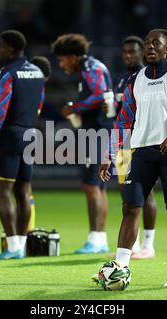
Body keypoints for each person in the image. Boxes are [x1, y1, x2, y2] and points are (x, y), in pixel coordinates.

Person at [99, 29, 167, 287]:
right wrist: (110, 155)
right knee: (130, 208)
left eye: (156, 43)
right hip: (142, 152)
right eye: (147, 44)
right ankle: (121, 267)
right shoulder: (135, 79)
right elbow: (123, 120)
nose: (150, 47)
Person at [0, 30, 46, 260]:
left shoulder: (7, 73)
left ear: (11, 48)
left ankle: (13, 246)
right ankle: (23, 244)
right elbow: (39, 105)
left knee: (3, 192)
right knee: (24, 192)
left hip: (8, 136)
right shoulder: (37, 72)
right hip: (29, 135)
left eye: (2, 46)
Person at [51, 33, 113, 254]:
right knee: (98, 186)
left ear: (72, 56)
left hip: (97, 132)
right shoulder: (88, 68)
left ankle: (95, 240)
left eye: (61, 60)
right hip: (99, 131)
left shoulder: (90, 67)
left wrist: (75, 108)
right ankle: (100, 239)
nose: (61, 65)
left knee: (90, 185)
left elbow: (100, 94)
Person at [109, 35, 158, 259]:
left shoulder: (149, 77)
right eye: (125, 52)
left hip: (144, 142)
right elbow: (117, 114)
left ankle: (149, 244)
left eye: (132, 51)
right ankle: (134, 244)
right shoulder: (121, 80)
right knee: (128, 195)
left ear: (142, 53)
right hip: (124, 144)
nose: (128, 55)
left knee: (146, 194)